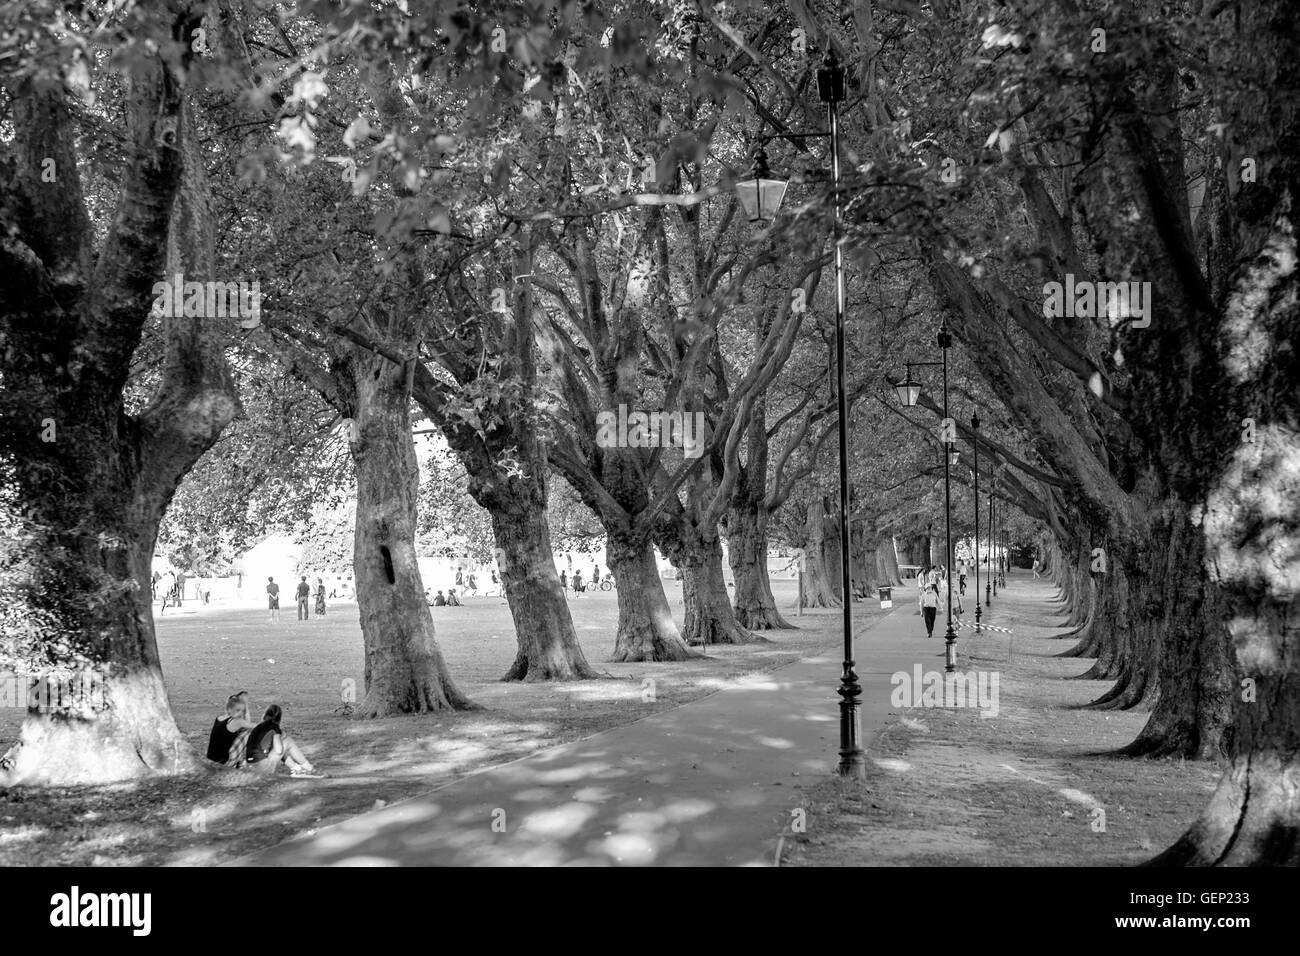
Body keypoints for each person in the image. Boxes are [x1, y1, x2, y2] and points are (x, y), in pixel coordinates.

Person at [245, 704, 324, 777]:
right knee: (288, 742)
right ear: (279, 718)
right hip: (262, 766)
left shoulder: (259, 726)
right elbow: (279, 751)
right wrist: (281, 739)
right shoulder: (274, 727)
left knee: (281, 744)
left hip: (250, 765)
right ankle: (309, 769)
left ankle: (297, 769)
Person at [206, 692, 255, 767]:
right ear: (230, 709)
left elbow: (229, 711)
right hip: (223, 763)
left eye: (242, 711)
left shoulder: (220, 718)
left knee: (242, 731)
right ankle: (238, 764)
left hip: (210, 760)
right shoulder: (237, 722)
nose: (241, 713)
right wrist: (246, 705)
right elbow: (254, 726)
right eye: (238, 710)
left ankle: (238, 762)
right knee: (249, 732)